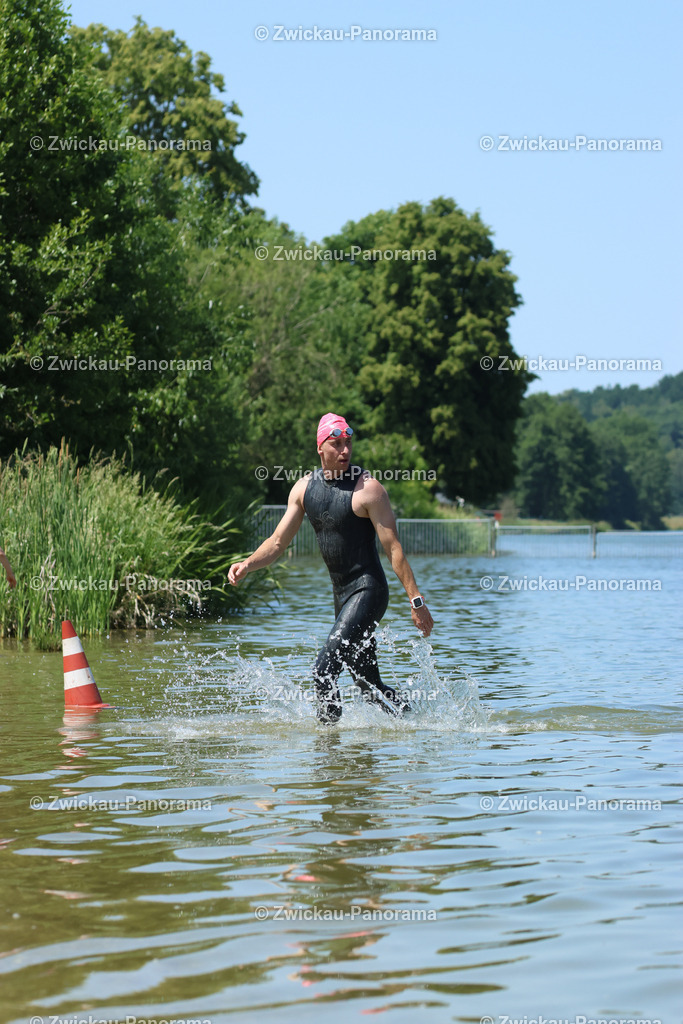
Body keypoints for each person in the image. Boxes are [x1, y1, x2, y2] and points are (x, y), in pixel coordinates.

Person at [228, 413, 434, 723]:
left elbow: (393, 549)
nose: (345, 451)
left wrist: (416, 601)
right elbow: (276, 543)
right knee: (368, 686)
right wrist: (247, 565)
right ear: (320, 448)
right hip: (343, 597)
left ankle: (328, 749)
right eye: (336, 444)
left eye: (348, 443)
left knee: (323, 670)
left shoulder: (368, 489)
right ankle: (419, 724)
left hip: (369, 590)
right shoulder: (303, 489)